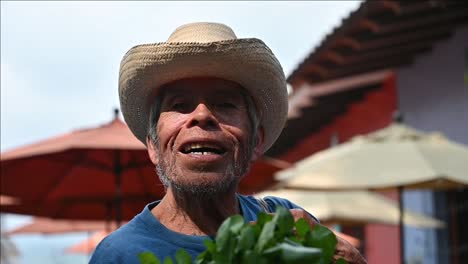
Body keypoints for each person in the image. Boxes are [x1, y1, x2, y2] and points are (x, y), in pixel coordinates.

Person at [90, 22, 366, 264]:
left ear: (255, 142)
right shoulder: (120, 255)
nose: (202, 116)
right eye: (180, 105)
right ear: (153, 145)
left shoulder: (288, 227)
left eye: (224, 104)